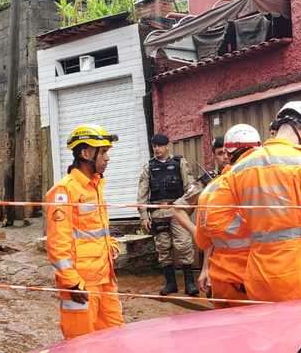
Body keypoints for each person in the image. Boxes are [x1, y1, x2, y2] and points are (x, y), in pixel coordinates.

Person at [201, 101, 301, 302]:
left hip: (258, 275)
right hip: (300, 274)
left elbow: (214, 220)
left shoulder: (242, 166)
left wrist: (255, 229)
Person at [45, 123, 124, 339]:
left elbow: (94, 229)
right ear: (85, 153)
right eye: (104, 152)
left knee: (115, 340)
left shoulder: (96, 186)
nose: (107, 158)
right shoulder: (64, 191)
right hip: (81, 284)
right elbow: (57, 244)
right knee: (82, 344)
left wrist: (111, 245)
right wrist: (72, 282)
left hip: (105, 279)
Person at [194, 124, 262, 307]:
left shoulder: (210, 189)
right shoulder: (256, 187)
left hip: (220, 282)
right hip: (250, 280)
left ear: (229, 154)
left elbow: (202, 242)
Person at [136, 134, 198, 296]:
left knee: (184, 245)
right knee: (163, 248)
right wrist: (143, 216)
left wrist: (183, 208)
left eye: (159, 146)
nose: (156, 149)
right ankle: (171, 284)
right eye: (154, 146)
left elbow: (191, 189)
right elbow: (142, 193)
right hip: (158, 213)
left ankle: (190, 284)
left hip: (177, 211)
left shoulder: (179, 163)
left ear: (167, 146)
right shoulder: (148, 167)